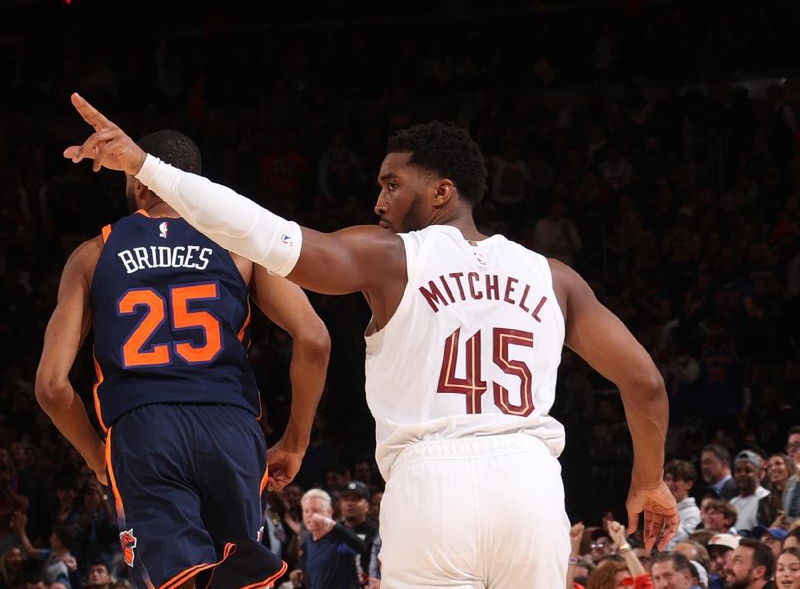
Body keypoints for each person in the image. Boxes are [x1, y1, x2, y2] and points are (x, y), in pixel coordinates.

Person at [66, 94, 680, 588]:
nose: (378, 200)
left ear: (441, 191)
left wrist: (147, 169)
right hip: (533, 487)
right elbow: (645, 383)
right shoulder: (556, 277)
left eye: (392, 184)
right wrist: (648, 482)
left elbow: (265, 234)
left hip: (432, 484)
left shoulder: (393, 257)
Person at [41, 128, 330, 589]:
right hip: (230, 424)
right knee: (240, 579)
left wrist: (99, 459)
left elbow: (52, 386)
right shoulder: (239, 245)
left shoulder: (93, 255)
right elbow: (314, 339)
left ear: (136, 181)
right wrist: (295, 443)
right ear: (192, 182)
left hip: (144, 428)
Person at [300, 488, 366, 589]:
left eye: (315, 510)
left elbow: (360, 547)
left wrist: (332, 525)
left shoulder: (338, 537)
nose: (310, 515)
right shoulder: (308, 540)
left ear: (329, 512)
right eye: (306, 511)